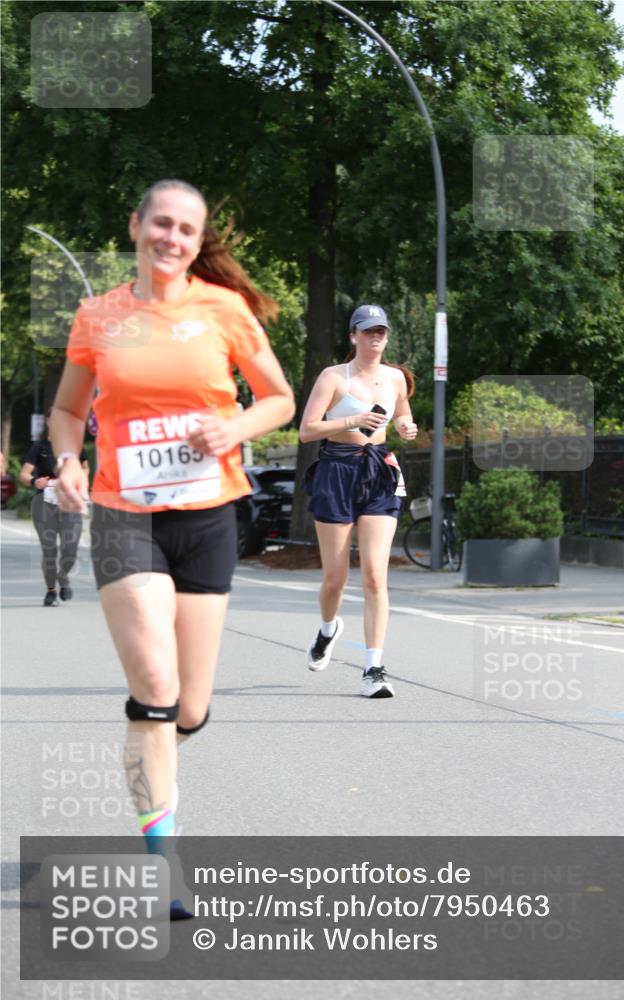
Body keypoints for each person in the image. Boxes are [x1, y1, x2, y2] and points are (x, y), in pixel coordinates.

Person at [51, 179, 295, 918]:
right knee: (154, 693)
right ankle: (166, 859)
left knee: (189, 709)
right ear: (136, 225)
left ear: (197, 240)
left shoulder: (224, 311)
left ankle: (154, 761)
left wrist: (236, 429)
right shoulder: (99, 315)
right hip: (124, 512)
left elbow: (279, 398)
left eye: (186, 229)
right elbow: (67, 410)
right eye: (161, 223)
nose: (172, 237)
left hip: (208, 515)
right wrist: (67, 461)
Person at [299, 304, 418, 698]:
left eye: (381, 331)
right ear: (353, 336)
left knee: (374, 575)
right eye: (367, 332)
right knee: (336, 578)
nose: (375, 338)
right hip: (337, 470)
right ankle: (328, 628)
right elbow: (307, 430)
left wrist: (404, 424)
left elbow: (401, 412)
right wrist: (352, 421)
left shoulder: (396, 378)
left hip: (380, 471)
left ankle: (374, 670)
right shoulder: (334, 377)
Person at [19, 410, 89, 606]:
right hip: (45, 503)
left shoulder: (74, 446)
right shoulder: (39, 447)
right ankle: (51, 592)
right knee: (49, 550)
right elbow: (24, 474)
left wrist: (79, 479)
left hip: (69, 502)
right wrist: (34, 481)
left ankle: (63, 576)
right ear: (48, 421)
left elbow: (85, 468)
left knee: (70, 550)